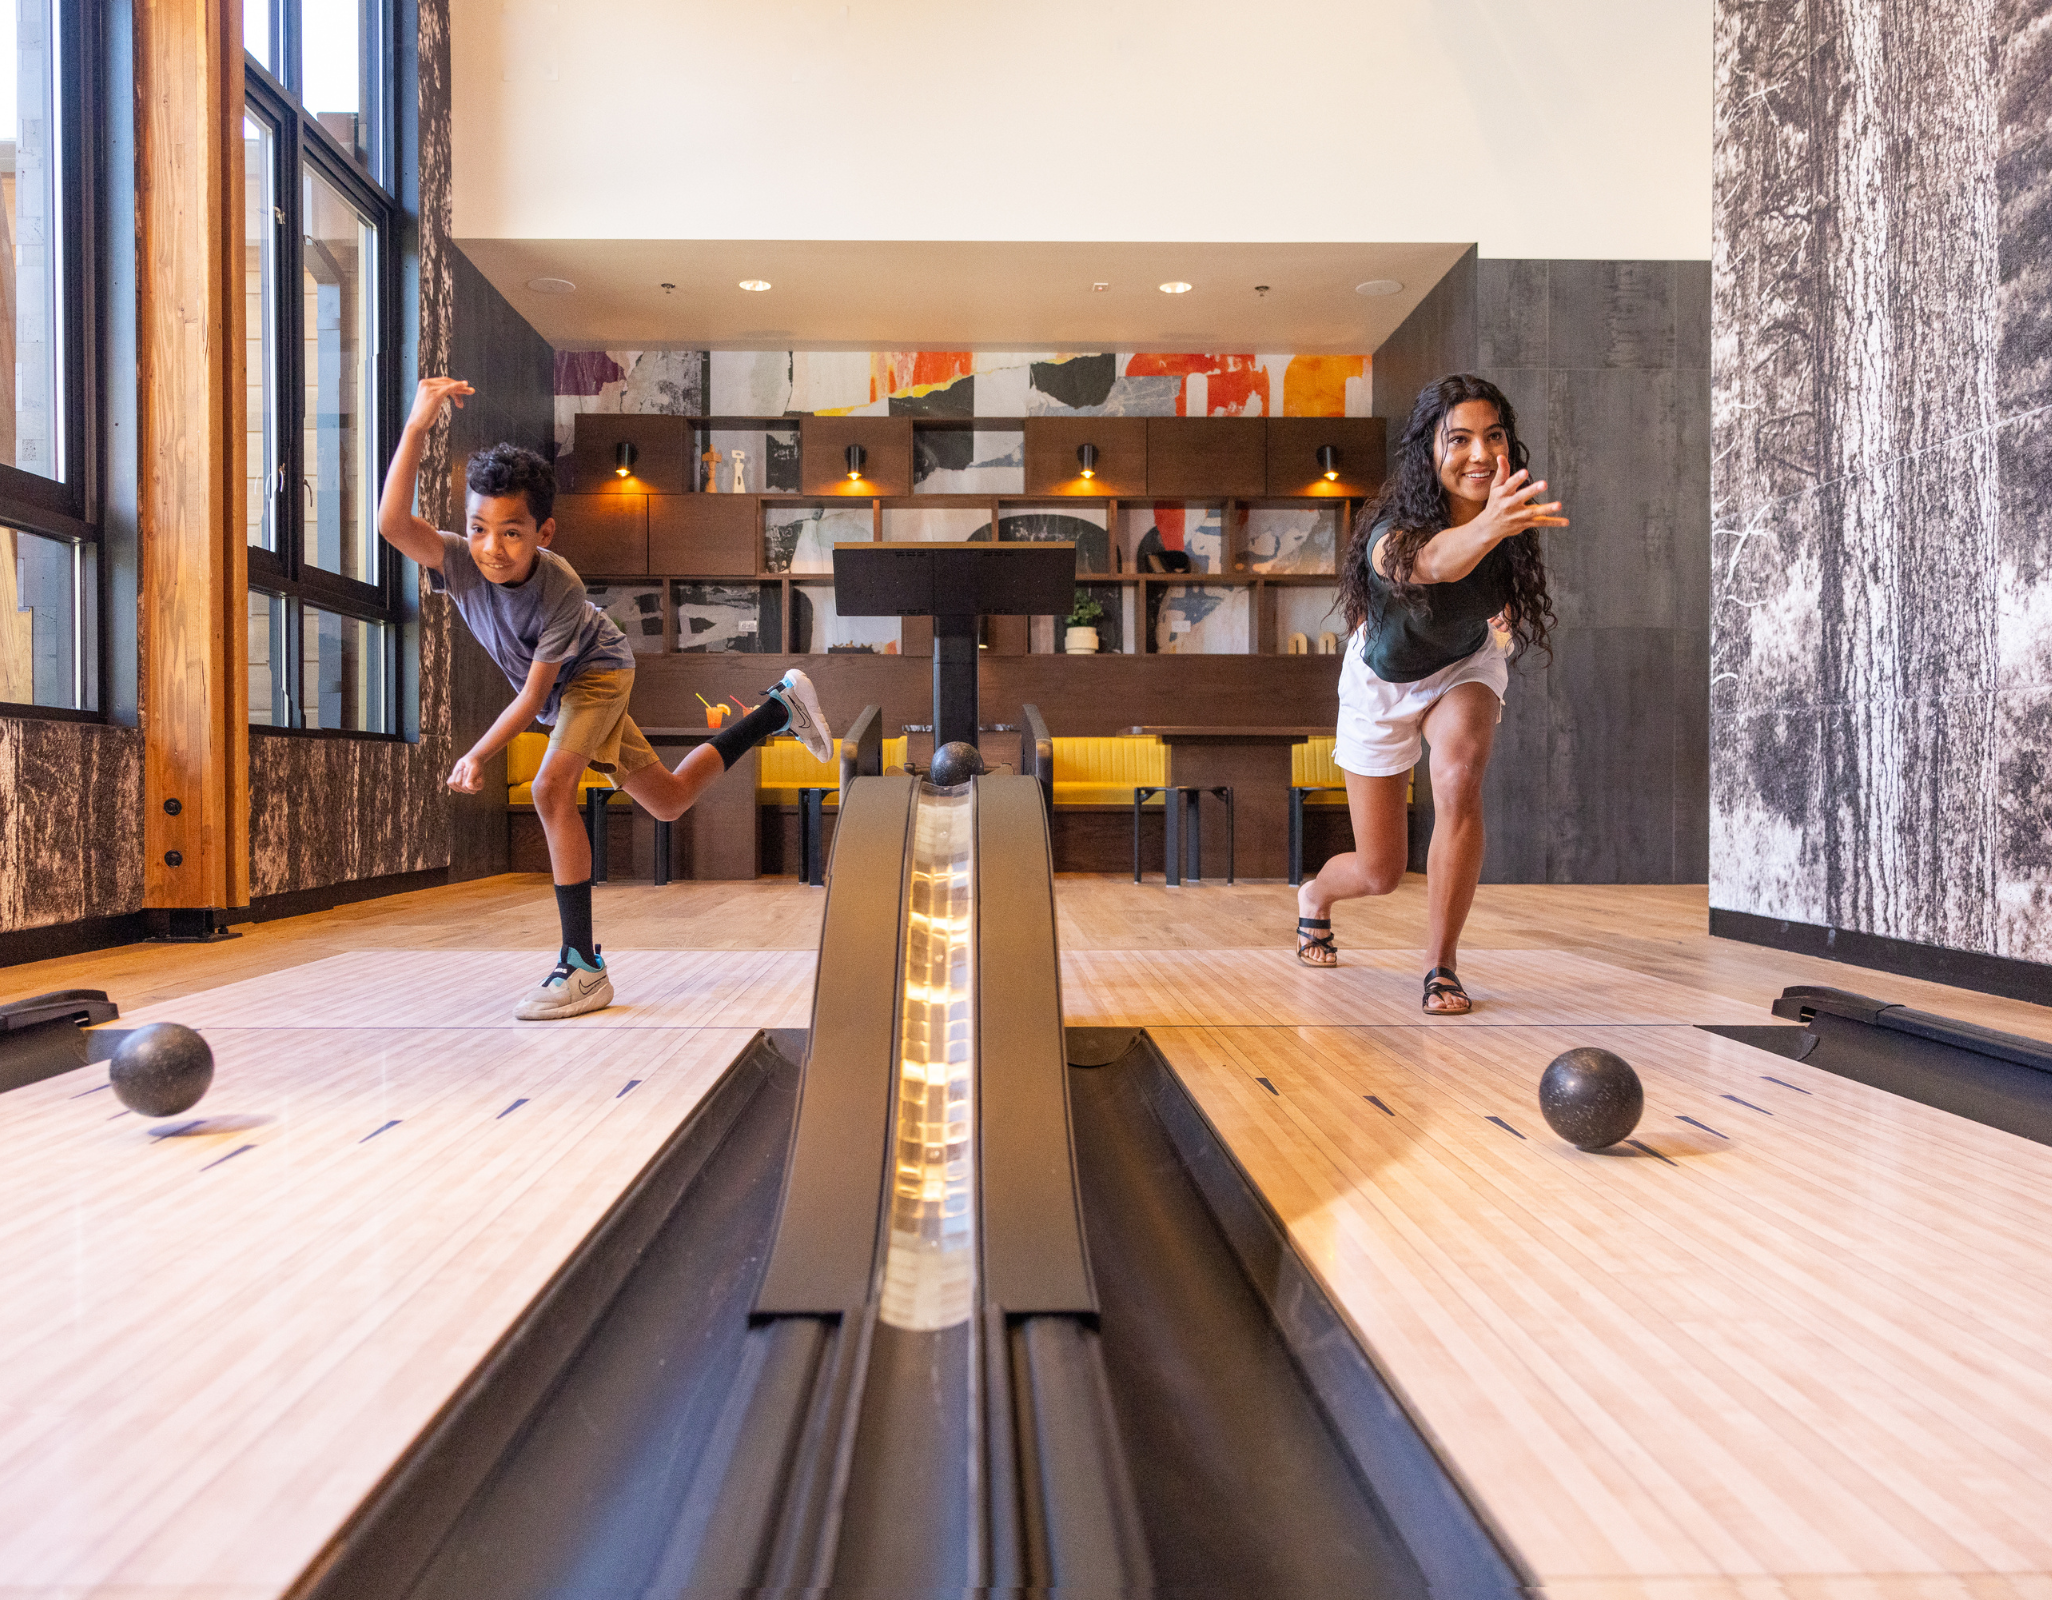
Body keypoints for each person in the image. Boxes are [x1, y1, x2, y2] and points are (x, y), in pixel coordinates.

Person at [379, 377, 833, 1021]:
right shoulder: (458, 562)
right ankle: (779, 710)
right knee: (669, 801)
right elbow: (391, 522)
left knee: (548, 789)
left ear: (544, 532)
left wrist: (478, 752)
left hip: (594, 673)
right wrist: (418, 426)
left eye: (512, 532)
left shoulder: (558, 583)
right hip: (562, 695)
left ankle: (582, 964)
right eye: (479, 528)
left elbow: (538, 691)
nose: (491, 547)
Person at [1294, 374, 1565, 1013]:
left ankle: (1440, 965)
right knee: (1380, 872)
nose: (1480, 454)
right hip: (1380, 685)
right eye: (1460, 439)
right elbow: (1429, 565)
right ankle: (1315, 898)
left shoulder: (1509, 515)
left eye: (1493, 436)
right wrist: (1493, 527)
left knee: (1460, 771)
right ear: (1429, 451)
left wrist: (1498, 609)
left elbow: (1487, 588)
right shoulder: (1394, 528)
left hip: (1461, 668)